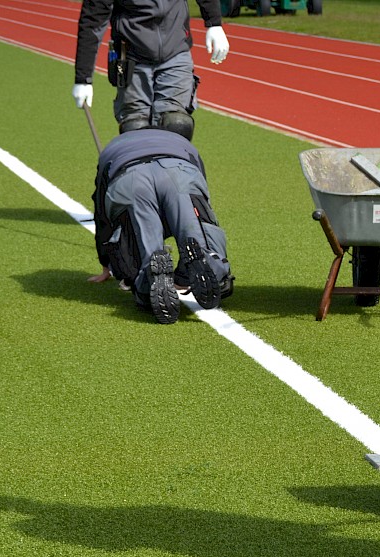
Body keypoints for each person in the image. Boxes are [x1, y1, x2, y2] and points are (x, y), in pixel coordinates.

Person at [92, 127, 233, 324]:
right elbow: (203, 202)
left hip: (130, 178)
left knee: (143, 251)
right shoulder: (180, 141)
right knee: (196, 235)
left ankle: (149, 279)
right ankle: (208, 266)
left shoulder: (113, 146)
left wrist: (106, 263)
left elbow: (102, 215)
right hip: (179, 171)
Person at [72, 0, 230, 140]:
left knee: (176, 125)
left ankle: (171, 172)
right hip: (132, 57)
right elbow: (93, 20)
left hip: (176, 50)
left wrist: (214, 23)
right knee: (136, 129)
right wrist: (83, 78)